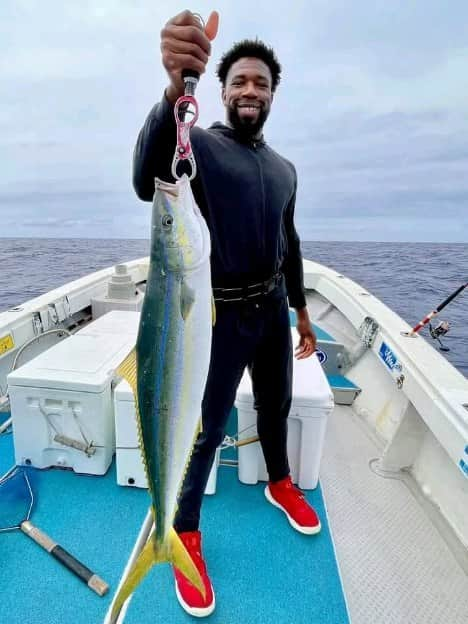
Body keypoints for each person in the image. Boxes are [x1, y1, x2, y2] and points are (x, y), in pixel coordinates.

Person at [133, 9, 320, 617]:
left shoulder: (285, 169)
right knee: (204, 427)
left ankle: (281, 481)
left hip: (270, 309)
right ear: (222, 88)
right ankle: (184, 528)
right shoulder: (203, 148)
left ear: (272, 95)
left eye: (260, 83)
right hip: (212, 316)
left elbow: (289, 244)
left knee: (277, 402)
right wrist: (172, 90)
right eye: (238, 80)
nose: (248, 90)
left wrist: (301, 312)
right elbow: (148, 175)